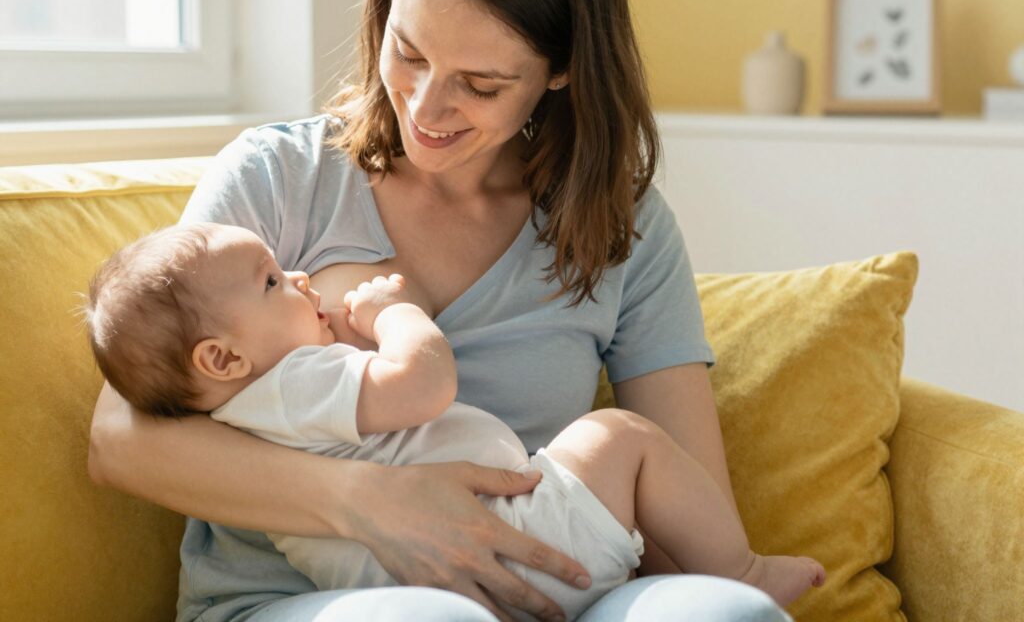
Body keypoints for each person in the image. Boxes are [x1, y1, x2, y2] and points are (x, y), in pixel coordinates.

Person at [88, 0, 802, 622]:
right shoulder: (279, 177)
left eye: (482, 84)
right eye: (411, 53)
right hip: (305, 599)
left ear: (560, 71)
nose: (427, 108)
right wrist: (375, 505)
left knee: (729, 613)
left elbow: (680, 499)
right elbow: (120, 442)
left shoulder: (619, 224)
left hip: (544, 581)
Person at [85, 222, 826, 621]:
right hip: (507, 539)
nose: (300, 277)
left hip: (457, 574)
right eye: (274, 281)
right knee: (622, 438)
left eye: (481, 81)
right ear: (219, 358)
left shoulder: (262, 395)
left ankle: (730, 589)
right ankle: (741, 566)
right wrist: (395, 313)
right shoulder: (294, 382)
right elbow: (422, 388)